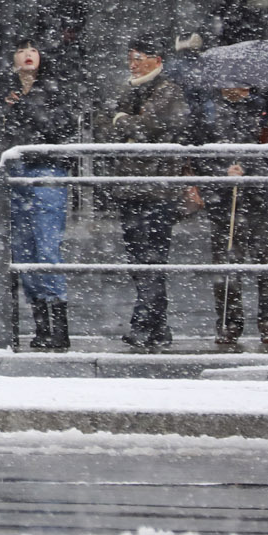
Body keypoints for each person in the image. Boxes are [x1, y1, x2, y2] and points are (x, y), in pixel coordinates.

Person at [104, 34, 191, 353]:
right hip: (131, 189)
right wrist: (124, 121)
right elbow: (108, 124)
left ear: (157, 59)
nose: (133, 63)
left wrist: (123, 121)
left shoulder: (169, 90)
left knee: (151, 258)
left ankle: (144, 324)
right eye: (130, 56)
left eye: (139, 56)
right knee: (140, 260)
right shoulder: (130, 89)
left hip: (156, 189)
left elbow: (146, 127)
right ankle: (158, 327)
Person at [0, 36, 77, 351]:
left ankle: (59, 326)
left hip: (47, 171)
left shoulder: (55, 89)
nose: (27, 55)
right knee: (23, 251)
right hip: (16, 173)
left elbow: (57, 129)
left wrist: (26, 105)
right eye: (20, 50)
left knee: (46, 247)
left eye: (33, 50)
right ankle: (41, 324)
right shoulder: (3, 93)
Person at [204, 86, 268, 352]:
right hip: (225, 203)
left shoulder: (265, 110)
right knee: (227, 270)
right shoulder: (209, 113)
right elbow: (200, 155)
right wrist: (222, 172)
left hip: (259, 201)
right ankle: (229, 324)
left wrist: (248, 169)